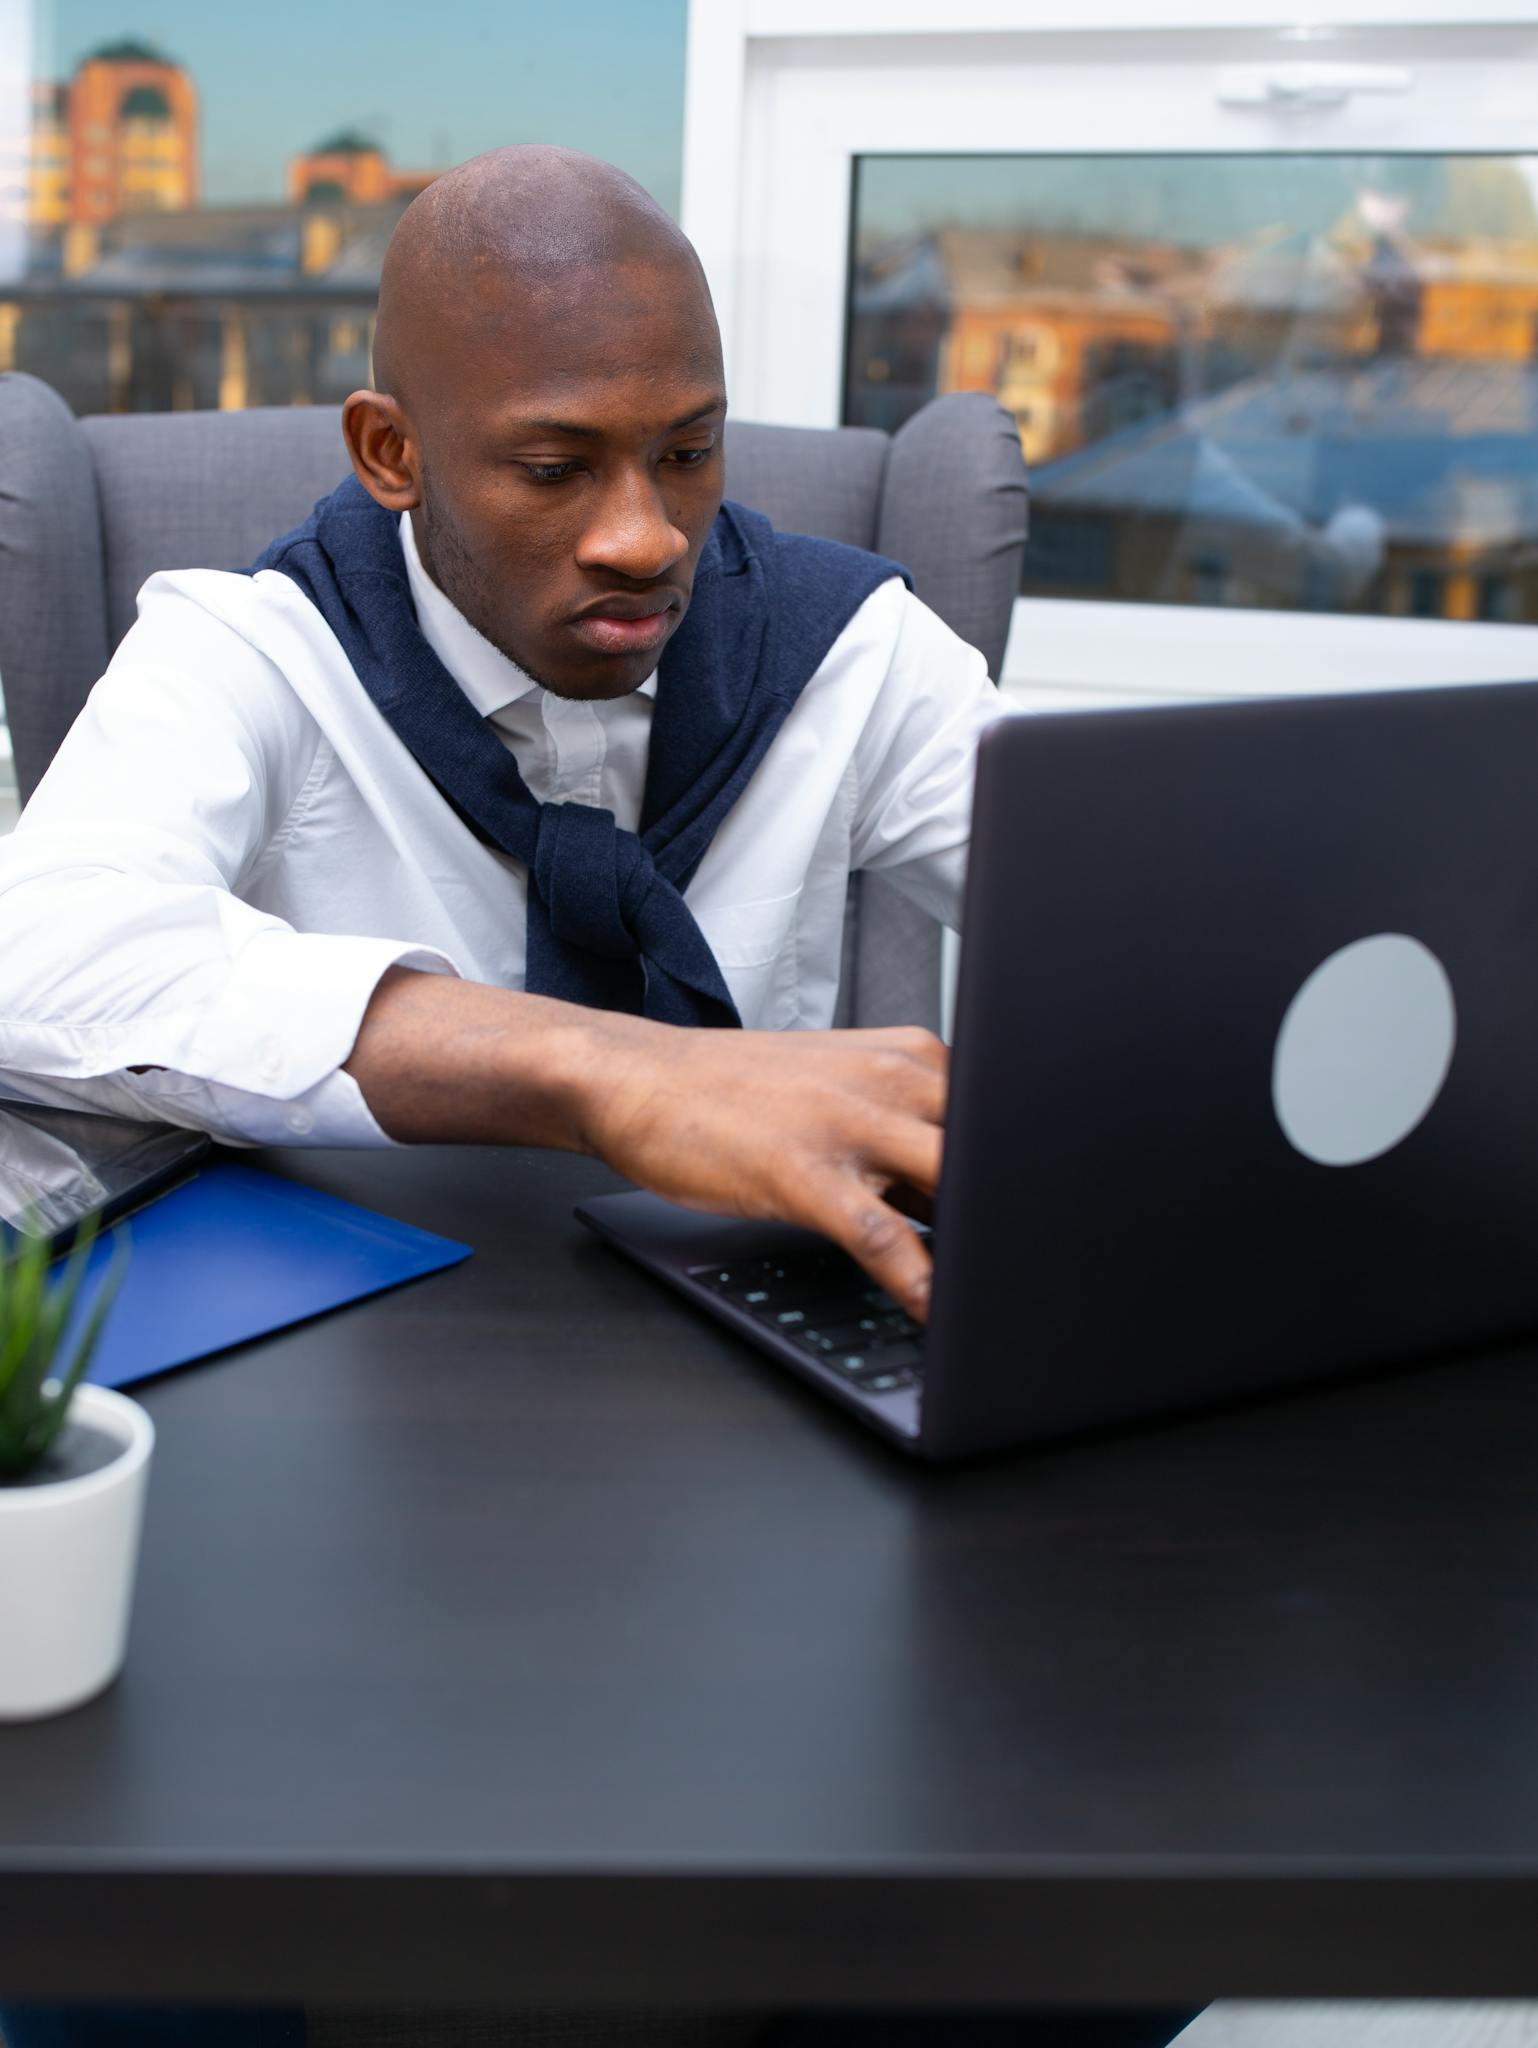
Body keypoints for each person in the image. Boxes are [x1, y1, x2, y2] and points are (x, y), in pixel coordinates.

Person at [0, 147, 1201, 2048]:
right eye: (556, 468)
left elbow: (1136, 896)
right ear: (392, 452)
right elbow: (39, 957)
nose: (644, 532)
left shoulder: (849, 650)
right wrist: (610, 1067)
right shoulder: (245, 646)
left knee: (1091, 1916)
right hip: (335, 1466)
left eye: (690, 454)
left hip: (771, 1431)